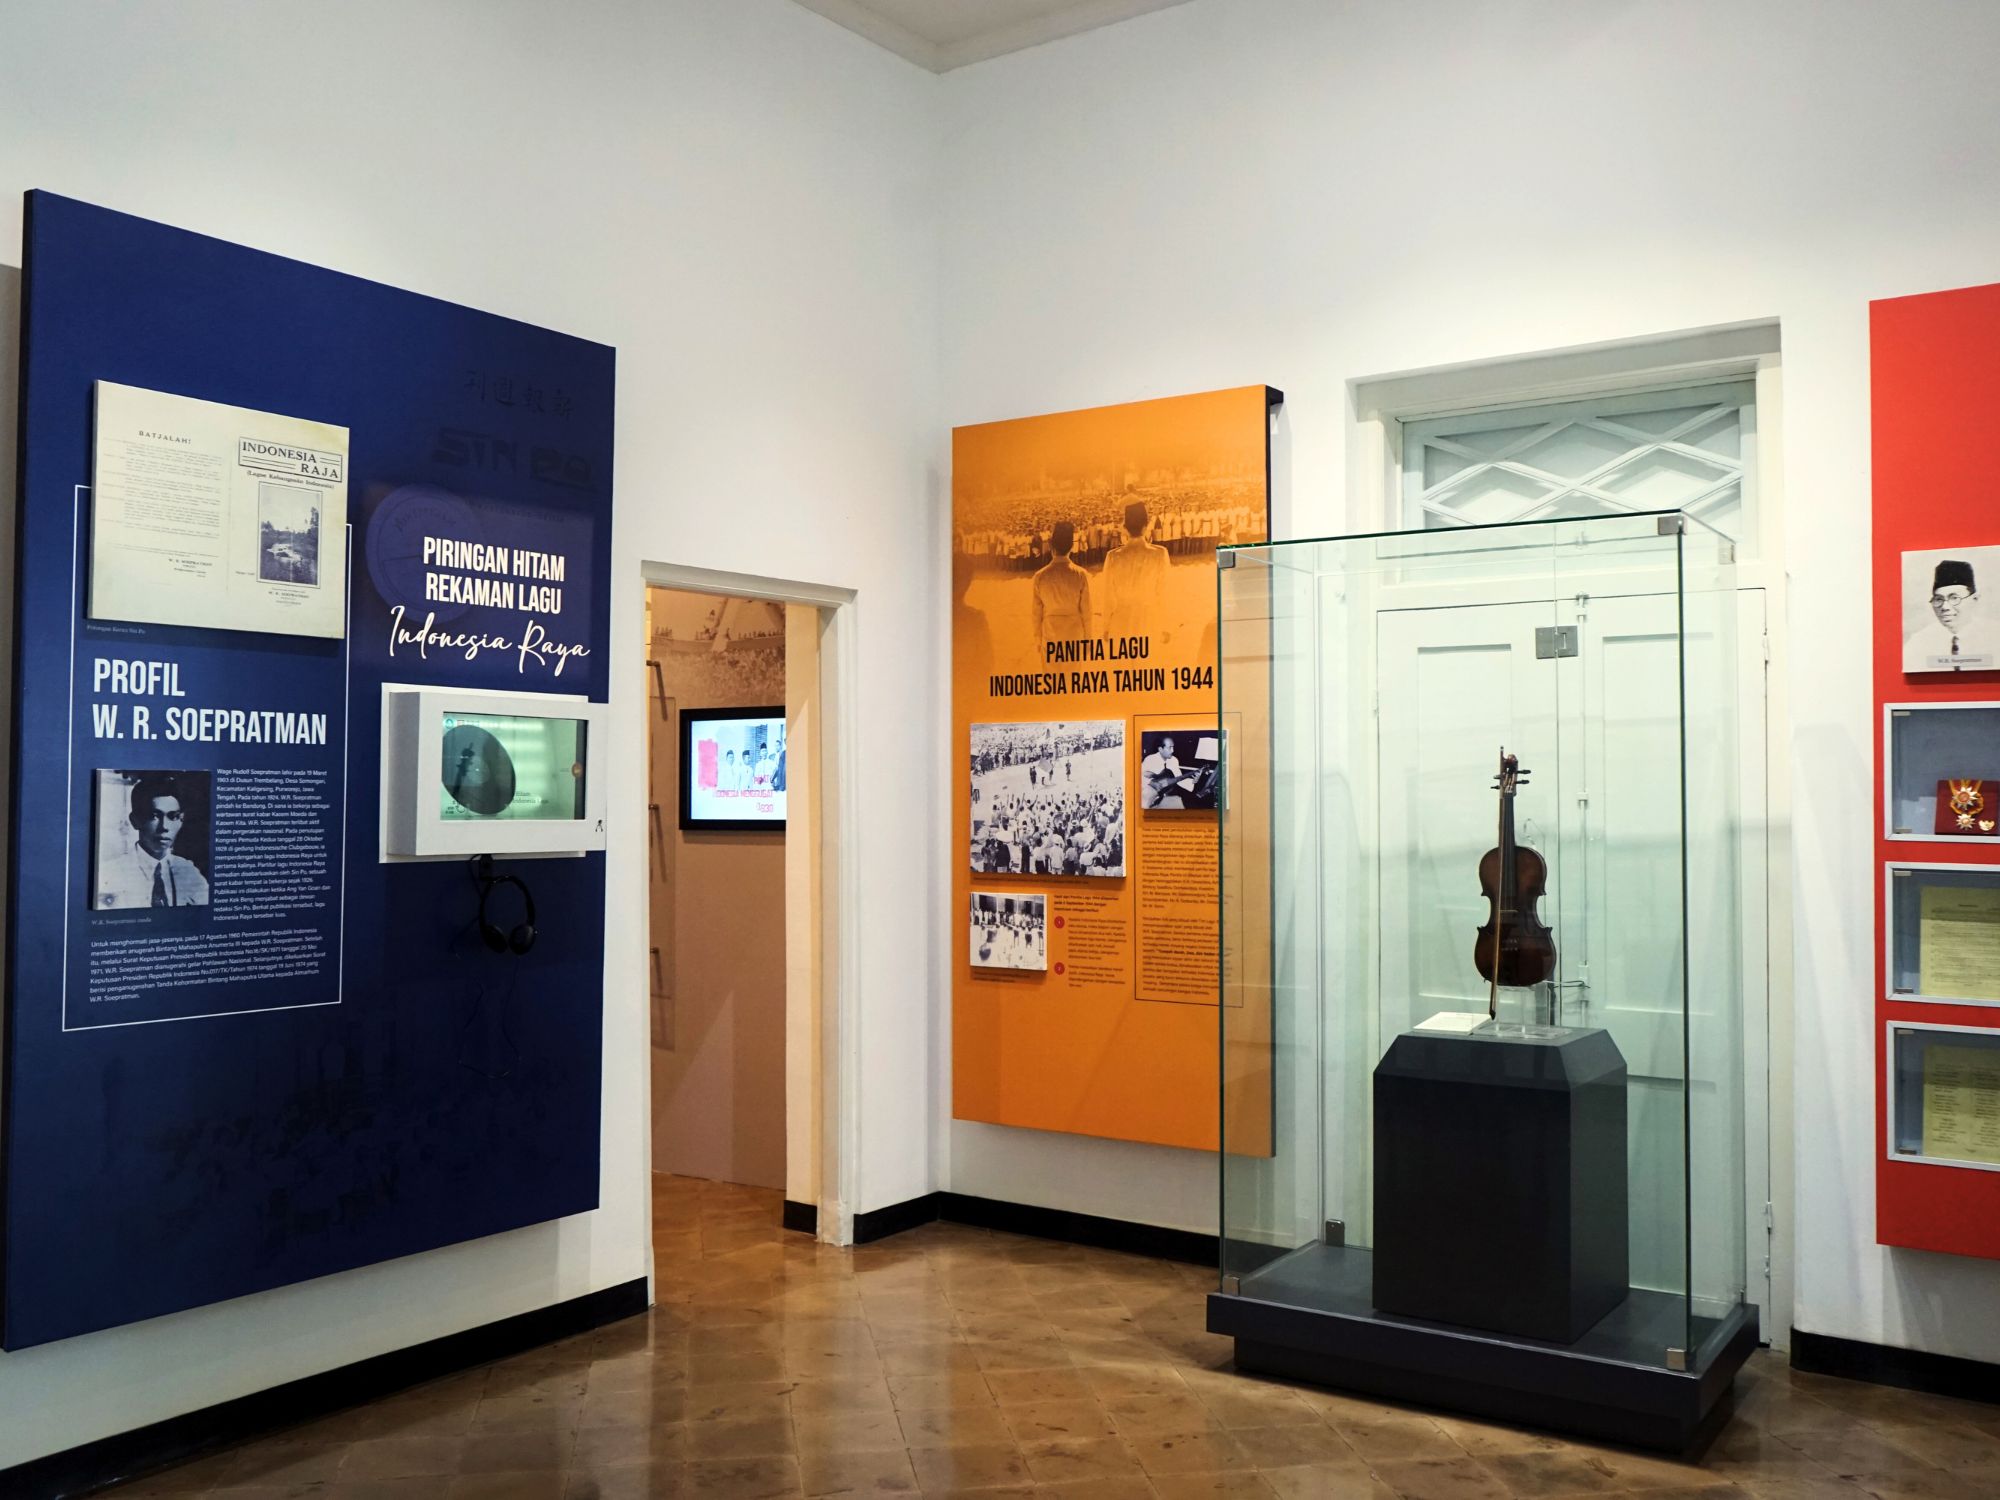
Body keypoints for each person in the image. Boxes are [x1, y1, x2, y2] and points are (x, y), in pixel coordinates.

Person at [97, 772, 209, 909]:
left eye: (173, 816)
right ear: (135, 821)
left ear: (181, 820)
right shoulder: (110, 873)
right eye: (154, 816)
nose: (164, 827)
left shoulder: (188, 872)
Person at [1100, 500, 1173, 641]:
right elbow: (1163, 593)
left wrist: (1106, 627)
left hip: (1121, 621)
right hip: (1149, 621)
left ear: (1125, 528)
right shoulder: (1159, 553)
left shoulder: (1113, 556)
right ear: (1146, 526)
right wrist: (1166, 626)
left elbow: (1108, 596)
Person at [1910, 559, 1997, 670]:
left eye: (1954, 598)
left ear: (1975, 599)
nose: (1945, 607)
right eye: (1938, 599)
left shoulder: (1995, 636)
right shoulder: (1918, 643)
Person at [1031, 521, 1093, 646]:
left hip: (1050, 637)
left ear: (1051, 546)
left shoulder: (1040, 576)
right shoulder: (1081, 574)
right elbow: (1087, 612)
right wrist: (1088, 639)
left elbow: (1036, 613)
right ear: (1071, 546)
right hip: (1074, 637)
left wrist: (1037, 639)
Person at [1140, 734, 1187, 809]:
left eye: (1173, 747)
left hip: (1164, 795)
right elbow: (1136, 776)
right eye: (1169, 748)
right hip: (1148, 795)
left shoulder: (1174, 760)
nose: (1173, 750)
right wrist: (1152, 783)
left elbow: (1179, 778)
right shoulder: (1150, 759)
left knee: (1178, 804)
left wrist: (1193, 780)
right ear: (1160, 749)